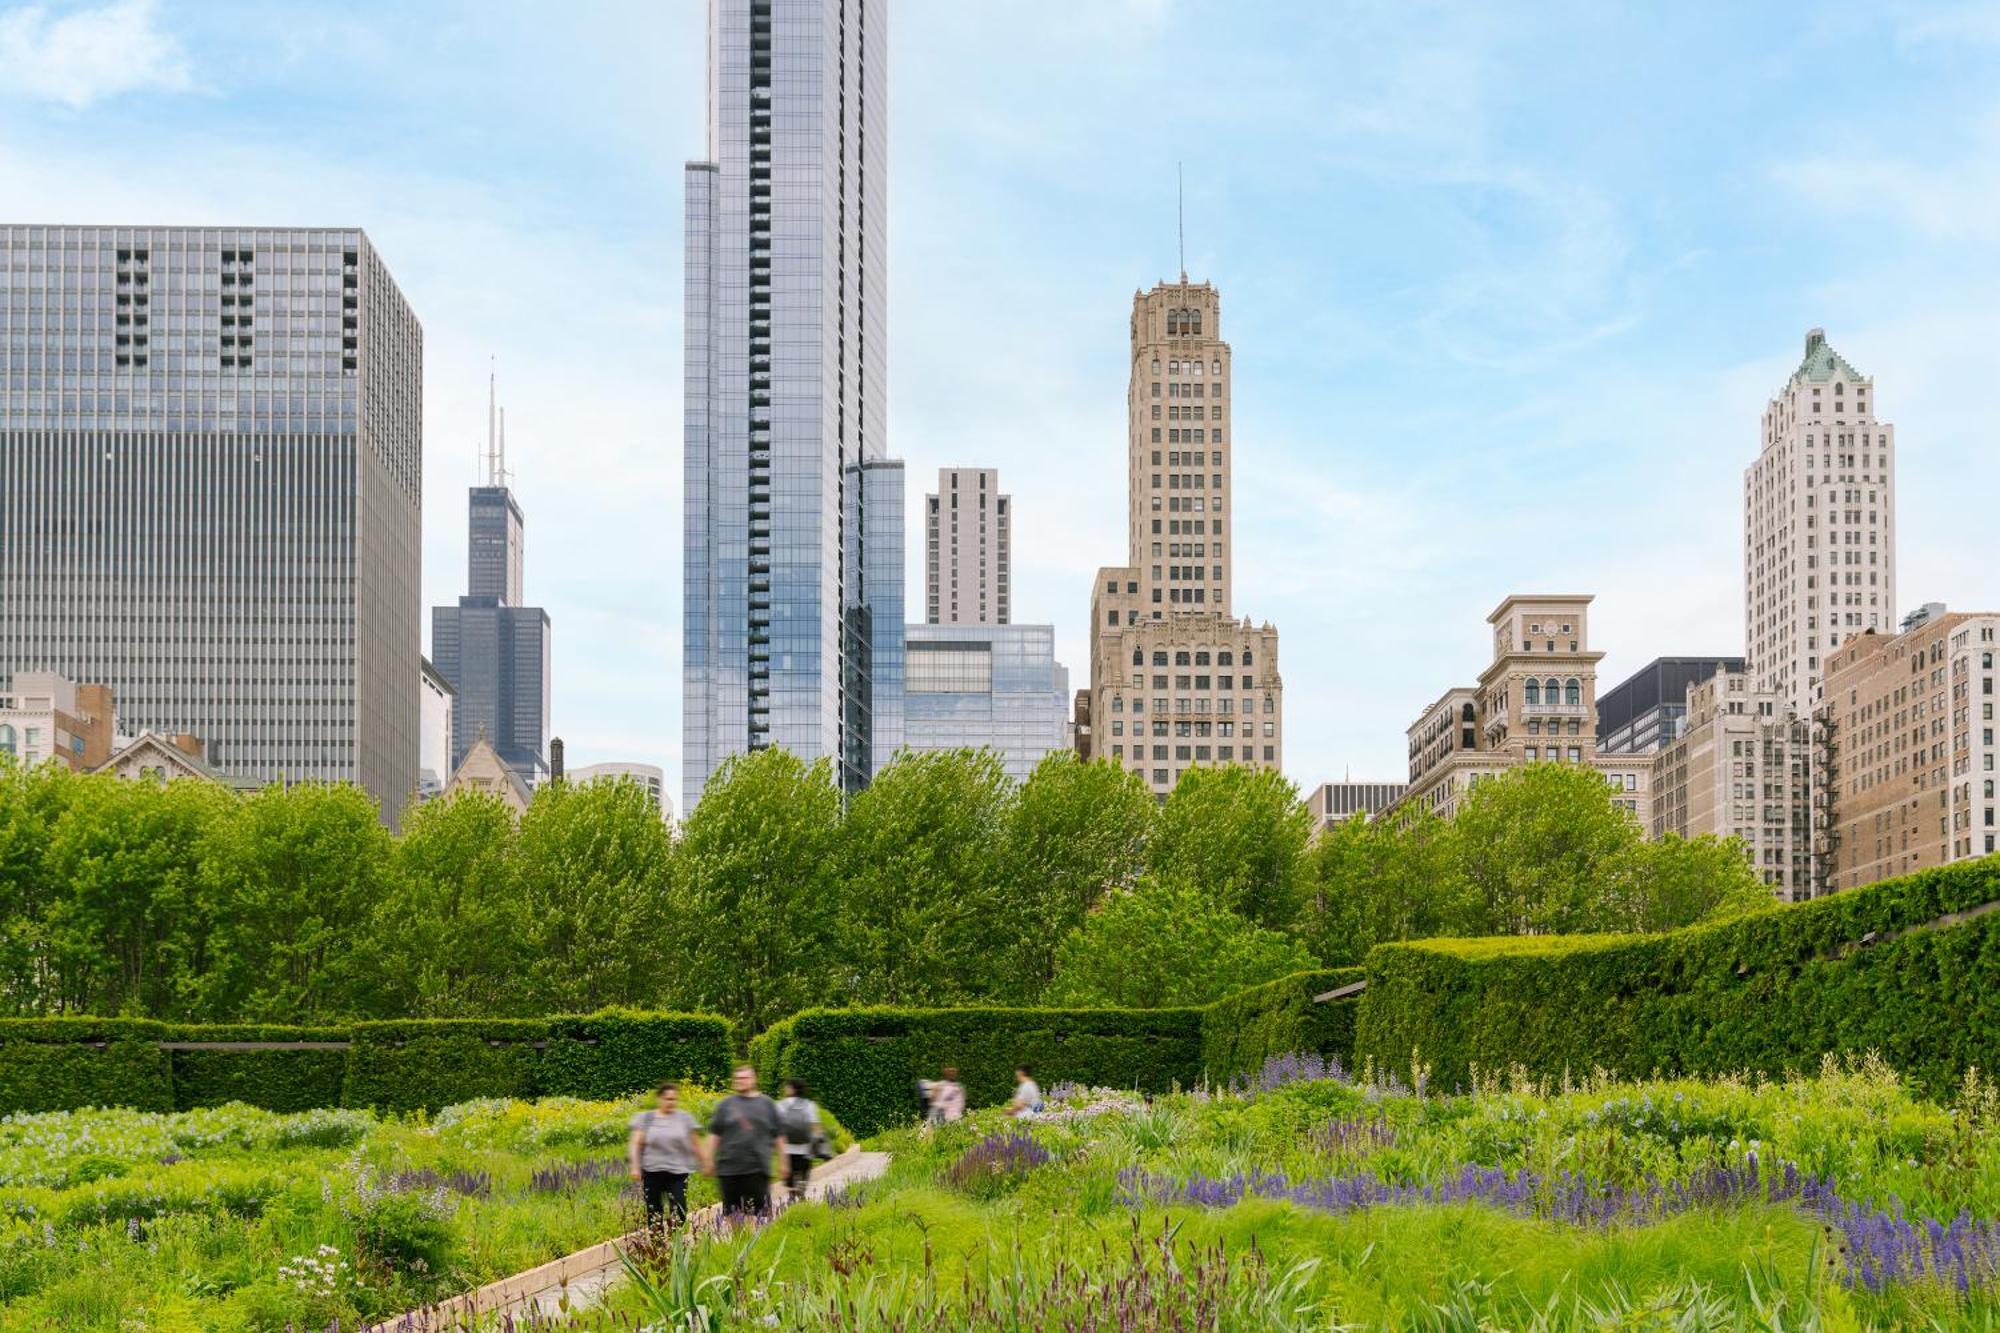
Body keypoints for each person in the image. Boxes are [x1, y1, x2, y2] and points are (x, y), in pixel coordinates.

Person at [706, 1064, 786, 1216]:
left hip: (757, 1169)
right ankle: (739, 1240)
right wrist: (708, 1159)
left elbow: (779, 1135)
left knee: (760, 1216)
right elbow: (714, 1134)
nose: (740, 1081)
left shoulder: (767, 1104)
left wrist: (784, 1162)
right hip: (729, 1170)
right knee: (732, 1216)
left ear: (753, 1079)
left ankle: (758, 1240)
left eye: (744, 1077)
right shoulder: (725, 1105)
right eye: (737, 1078)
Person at [627, 1082, 707, 1230]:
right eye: (668, 1099)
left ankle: (675, 1243)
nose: (671, 1103)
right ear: (660, 1099)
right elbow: (635, 1144)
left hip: (677, 1173)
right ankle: (658, 1248)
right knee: (654, 1212)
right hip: (652, 1171)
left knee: (679, 1210)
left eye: (674, 1099)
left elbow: (695, 1143)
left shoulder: (684, 1119)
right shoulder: (646, 1118)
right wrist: (634, 1166)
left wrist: (706, 1163)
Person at [775, 1078, 822, 1196]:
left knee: (790, 1176)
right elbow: (815, 1126)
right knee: (804, 1172)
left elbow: (777, 1126)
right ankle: (801, 1187)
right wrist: (817, 1142)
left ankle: (792, 1191)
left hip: (787, 1148)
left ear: (791, 1089)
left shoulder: (782, 1105)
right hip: (805, 1147)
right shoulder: (809, 1105)